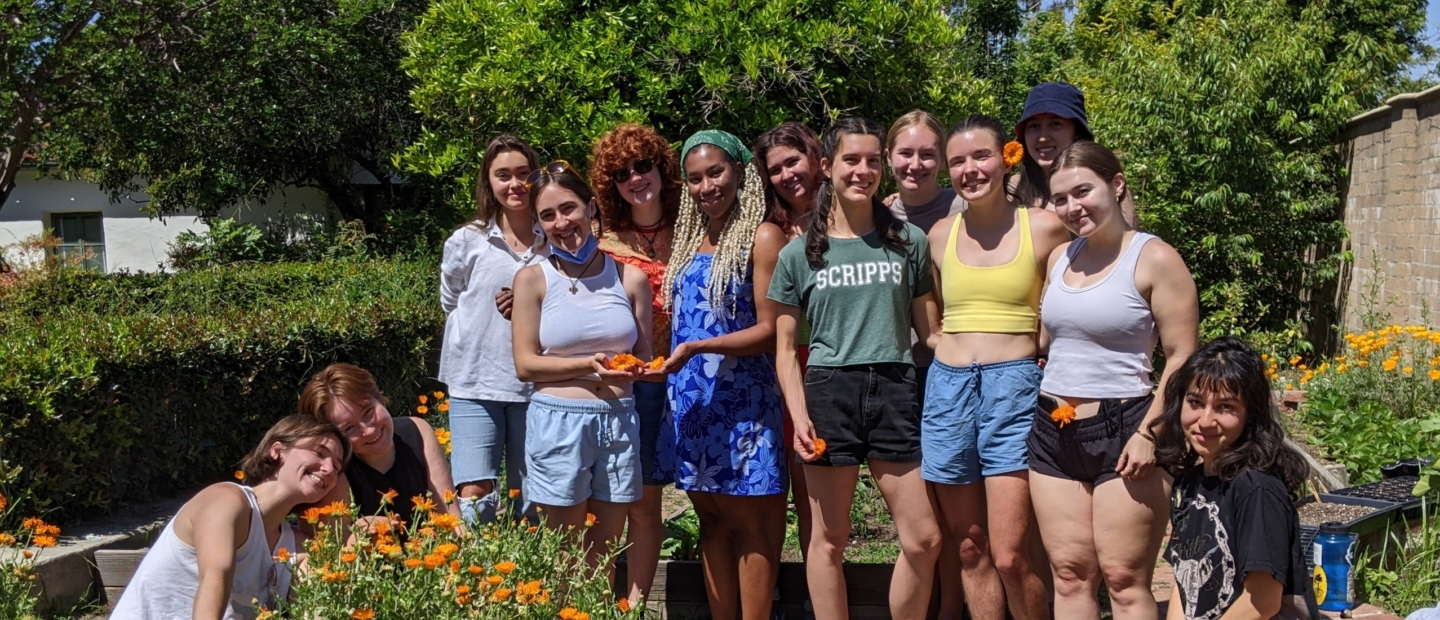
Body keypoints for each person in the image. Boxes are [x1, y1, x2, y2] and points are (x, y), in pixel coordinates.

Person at [770, 117, 944, 620]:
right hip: (829, 389)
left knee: (923, 538)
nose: (863, 170)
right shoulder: (798, 252)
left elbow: (930, 333)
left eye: (872, 160)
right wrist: (800, 416)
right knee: (829, 538)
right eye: (851, 159)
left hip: (895, 386)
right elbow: (784, 349)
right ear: (828, 167)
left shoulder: (909, 241)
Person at [1027, 141, 1199, 620]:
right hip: (1053, 428)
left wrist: (1152, 432)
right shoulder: (1059, 257)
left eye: (1083, 191)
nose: (1072, 207)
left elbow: (1183, 355)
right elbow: (1049, 341)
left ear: (1116, 184)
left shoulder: (1155, 258)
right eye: (1060, 198)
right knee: (1069, 576)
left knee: (1124, 582)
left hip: (1127, 427)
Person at [923, 115, 1069, 620]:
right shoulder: (940, 236)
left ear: (1004, 157)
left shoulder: (1045, 225)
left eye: (980, 156)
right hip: (948, 391)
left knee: (1010, 556)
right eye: (958, 161)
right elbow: (933, 317)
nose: (970, 169)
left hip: (1016, 390)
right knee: (969, 549)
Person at [651, 130, 788, 620]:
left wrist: (698, 347)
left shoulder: (763, 236)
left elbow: (772, 330)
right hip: (691, 399)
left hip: (743, 399)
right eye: (695, 179)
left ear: (739, 171)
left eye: (716, 173)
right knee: (709, 520)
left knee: (749, 525)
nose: (706, 186)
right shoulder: (690, 241)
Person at [510, 161, 653, 568]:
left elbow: (641, 357)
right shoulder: (532, 280)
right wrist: (590, 366)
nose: (562, 222)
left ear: (591, 208)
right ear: (538, 224)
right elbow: (526, 364)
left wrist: (643, 369)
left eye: (569, 208)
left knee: (603, 556)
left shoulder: (630, 278)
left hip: (619, 421)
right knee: (565, 559)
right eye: (548, 215)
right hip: (559, 423)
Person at [112, 416, 350, 620]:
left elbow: (314, 607)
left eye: (337, 467)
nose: (329, 469)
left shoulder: (297, 547)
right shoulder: (227, 501)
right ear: (277, 450)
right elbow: (215, 575)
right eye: (319, 453)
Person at [1149, 337, 1317, 620]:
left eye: (1225, 407)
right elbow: (1183, 582)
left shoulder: (1257, 490)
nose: (1205, 420)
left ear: (1251, 414)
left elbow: (1262, 602)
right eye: (1195, 402)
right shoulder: (1188, 484)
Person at [589, 122, 682, 606]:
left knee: (664, 501)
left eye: (642, 165)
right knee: (621, 502)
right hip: (633, 383)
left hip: (692, 378)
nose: (634, 177)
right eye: (621, 172)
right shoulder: (603, 241)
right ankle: (612, 607)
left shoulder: (693, 226)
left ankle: (638, 605)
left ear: (661, 168)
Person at [884, 109, 967, 620]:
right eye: (905, 153)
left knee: (959, 510)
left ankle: (953, 607)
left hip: (955, 370)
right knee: (921, 516)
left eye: (927, 154)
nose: (915, 164)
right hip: (900, 376)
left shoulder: (963, 206)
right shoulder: (874, 214)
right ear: (890, 157)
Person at [440, 134, 545, 526]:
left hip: (535, 385)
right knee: (474, 491)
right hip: (475, 379)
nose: (515, 184)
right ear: (489, 182)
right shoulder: (467, 240)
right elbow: (450, 301)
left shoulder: (553, 239)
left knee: (533, 492)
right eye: (504, 175)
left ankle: (531, 580)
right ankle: (479, 578)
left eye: (523, 173)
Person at [753, 121, 824, 566]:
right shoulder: (771, 231)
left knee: (821, 485)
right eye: (775, 170)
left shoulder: (852, 215)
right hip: (787, 362)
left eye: (792, 161)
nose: (787, 175)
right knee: (792, 483)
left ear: (816, 158)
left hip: (838, 360)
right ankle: (791, 590)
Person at [304, 363, 459, 534]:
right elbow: (338, 546)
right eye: (349, 428)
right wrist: (358, 533)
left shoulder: (418, 431)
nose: (368, 430)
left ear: (379, 398)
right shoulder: (336, 469)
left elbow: (452, 520)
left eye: (368, 412)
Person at [1014, 82, 1138, 228]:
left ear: (1077, 132)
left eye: (1055, 124)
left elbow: (1125, 245)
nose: (1043, 137)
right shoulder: (1012, 190)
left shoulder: (1106, 185)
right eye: (1034, 126)